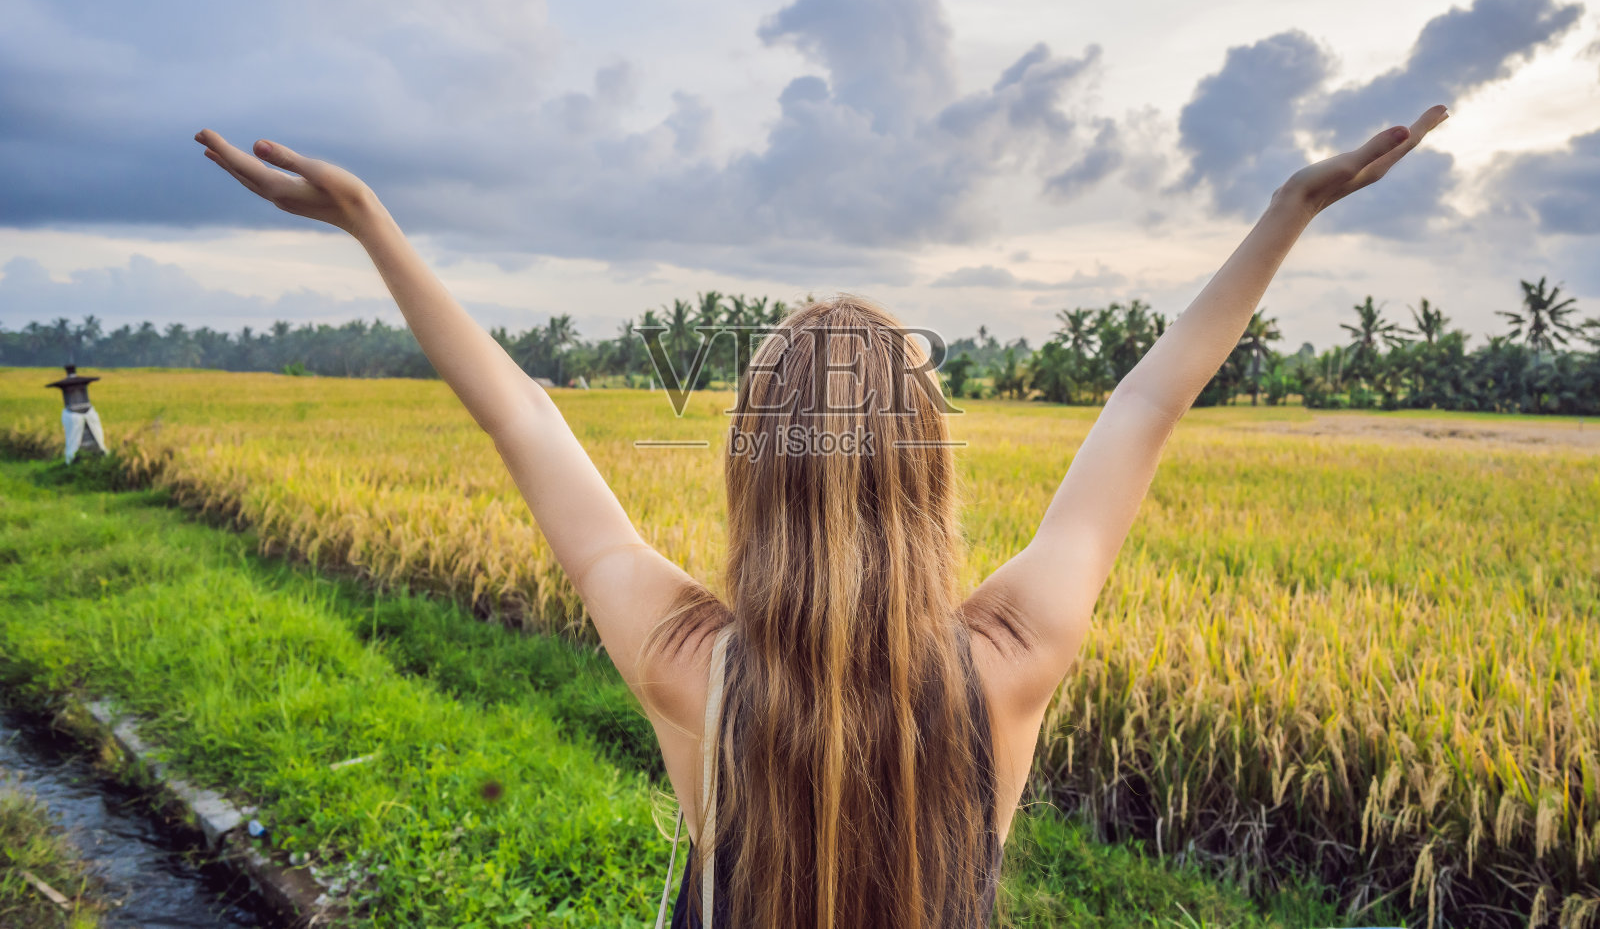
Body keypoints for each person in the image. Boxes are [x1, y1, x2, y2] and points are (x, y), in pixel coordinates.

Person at [193, 103, 1447, 928]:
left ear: (754, 466)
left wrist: (367, 221)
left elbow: (520, 415)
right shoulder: (1009, 657)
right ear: (928, 469)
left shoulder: (692, 665)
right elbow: (1146, 401)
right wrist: (1287, 211)